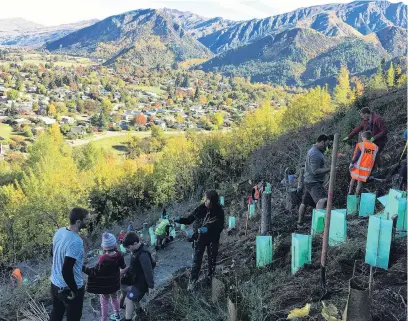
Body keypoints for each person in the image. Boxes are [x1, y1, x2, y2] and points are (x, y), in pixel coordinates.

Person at [174, 190, 225, 290]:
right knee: (196, 261)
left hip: (212, 240)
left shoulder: (219, 211)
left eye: (207, 200)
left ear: (213, 201)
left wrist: (204, 230)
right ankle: (192, 282)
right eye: (205, 199)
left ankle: (210, 279)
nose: (205, 201)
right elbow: (189, 220)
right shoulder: (201, 208)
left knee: (212, 260)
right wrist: (179, 219)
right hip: (199, 239)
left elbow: (218, 228)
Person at [50, 207, 89, 321]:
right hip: (68, 287)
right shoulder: (76, 241)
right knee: (74, 318)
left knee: (56, 315)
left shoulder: (60, 231)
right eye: (86, 220)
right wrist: (74, 290)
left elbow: (52, 252)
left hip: (55, 284)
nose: (88, 222)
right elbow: (66, 270)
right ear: (78, 222)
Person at [82, 233, 126, 321]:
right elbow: (123, 266)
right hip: (115, 284)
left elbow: (94, 272)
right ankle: (117, 315)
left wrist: (82, 267)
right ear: (114, 244)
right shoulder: (120, 255)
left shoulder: (103, 259)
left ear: (104, 247)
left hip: (105, 286)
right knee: (115, 298)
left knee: (104, 302)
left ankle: (104, 319)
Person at [297, 135, 331, 228]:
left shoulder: (316, 151)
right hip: (313, 182)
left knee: (305, 202)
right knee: (322, 200)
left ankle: (299, 222)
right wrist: (329, 169)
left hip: (309, 181)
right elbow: (315, 171)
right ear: (322, 142)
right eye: (326, 144)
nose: (327, 147)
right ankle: (318, 227)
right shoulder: (315, 154)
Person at [120, 232, 155, 321]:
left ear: (135, 243)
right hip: (136, 280)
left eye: (128, 247)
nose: (128, 249)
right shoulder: (136, 251)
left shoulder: (143, 254)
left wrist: (151, 286)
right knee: (131, 295)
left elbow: (148, 271)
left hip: (141, 283)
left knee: (129, 299)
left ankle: (128, 319)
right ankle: (140, 311)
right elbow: (134, 266)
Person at [348, 131, 378, 196]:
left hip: (357, 167)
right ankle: (356, 196)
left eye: (362, 137)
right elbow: (375, 159)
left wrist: (351, 163)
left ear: (364, 137)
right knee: (359, 183)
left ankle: (350, 193)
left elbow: (357, 156)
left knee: (353, 178)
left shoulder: (361, 145)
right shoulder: (375, 147)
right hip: (367, 169)